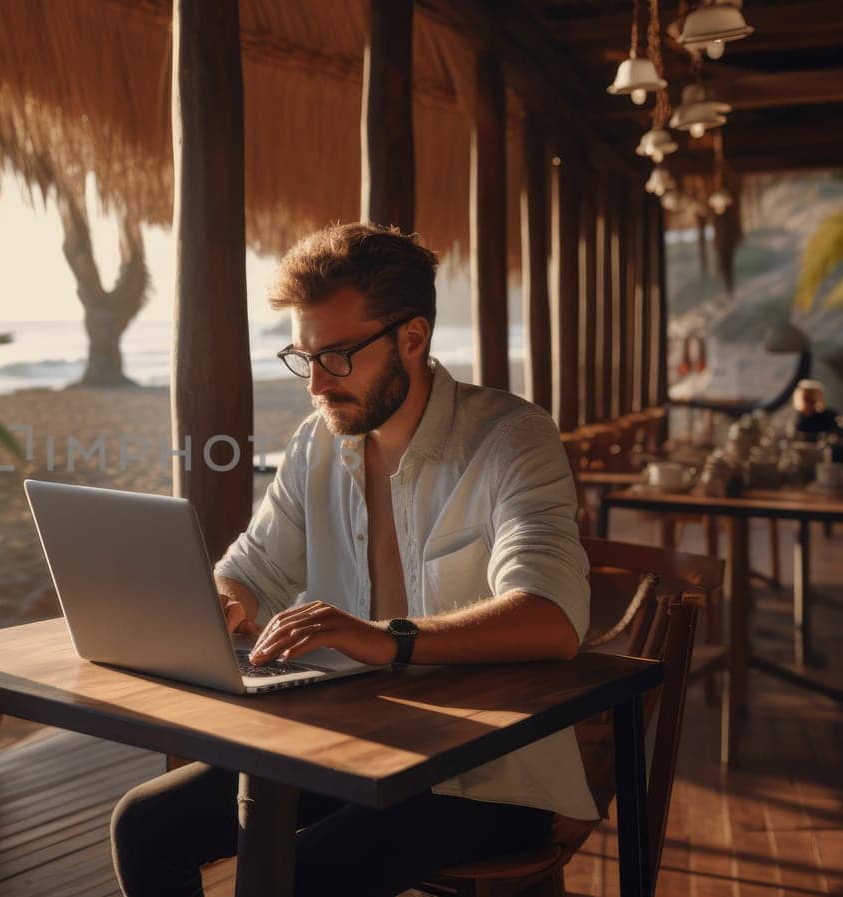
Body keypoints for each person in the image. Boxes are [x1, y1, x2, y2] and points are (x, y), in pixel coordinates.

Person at [110, 224, 595, 897]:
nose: (314, 383)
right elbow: (249, 567)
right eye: (302, 356)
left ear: (413, 338)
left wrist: (381, 640)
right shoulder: (318, 442)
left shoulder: (511, 437)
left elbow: (551, 617)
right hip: (349, 747)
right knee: (145, 824)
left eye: (336, 356)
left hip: (485, 776)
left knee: (293, 876)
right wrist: (228, 602)